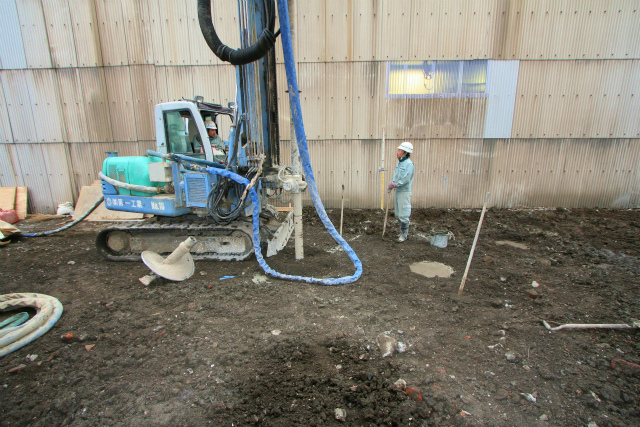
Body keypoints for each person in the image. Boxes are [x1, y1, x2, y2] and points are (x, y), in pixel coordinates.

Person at [387, 142, 415, 242]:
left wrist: (395, 184)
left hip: (404, 192)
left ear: (404, 152)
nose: (397, 152)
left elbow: (406, 179)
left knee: (403, 214)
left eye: (399, 151)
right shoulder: (400, 163)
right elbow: (397, 176)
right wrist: (392, 184)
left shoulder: (409, 164)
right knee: (398, 214)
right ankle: (402, 232)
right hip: (398, 191)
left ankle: (404, 235)